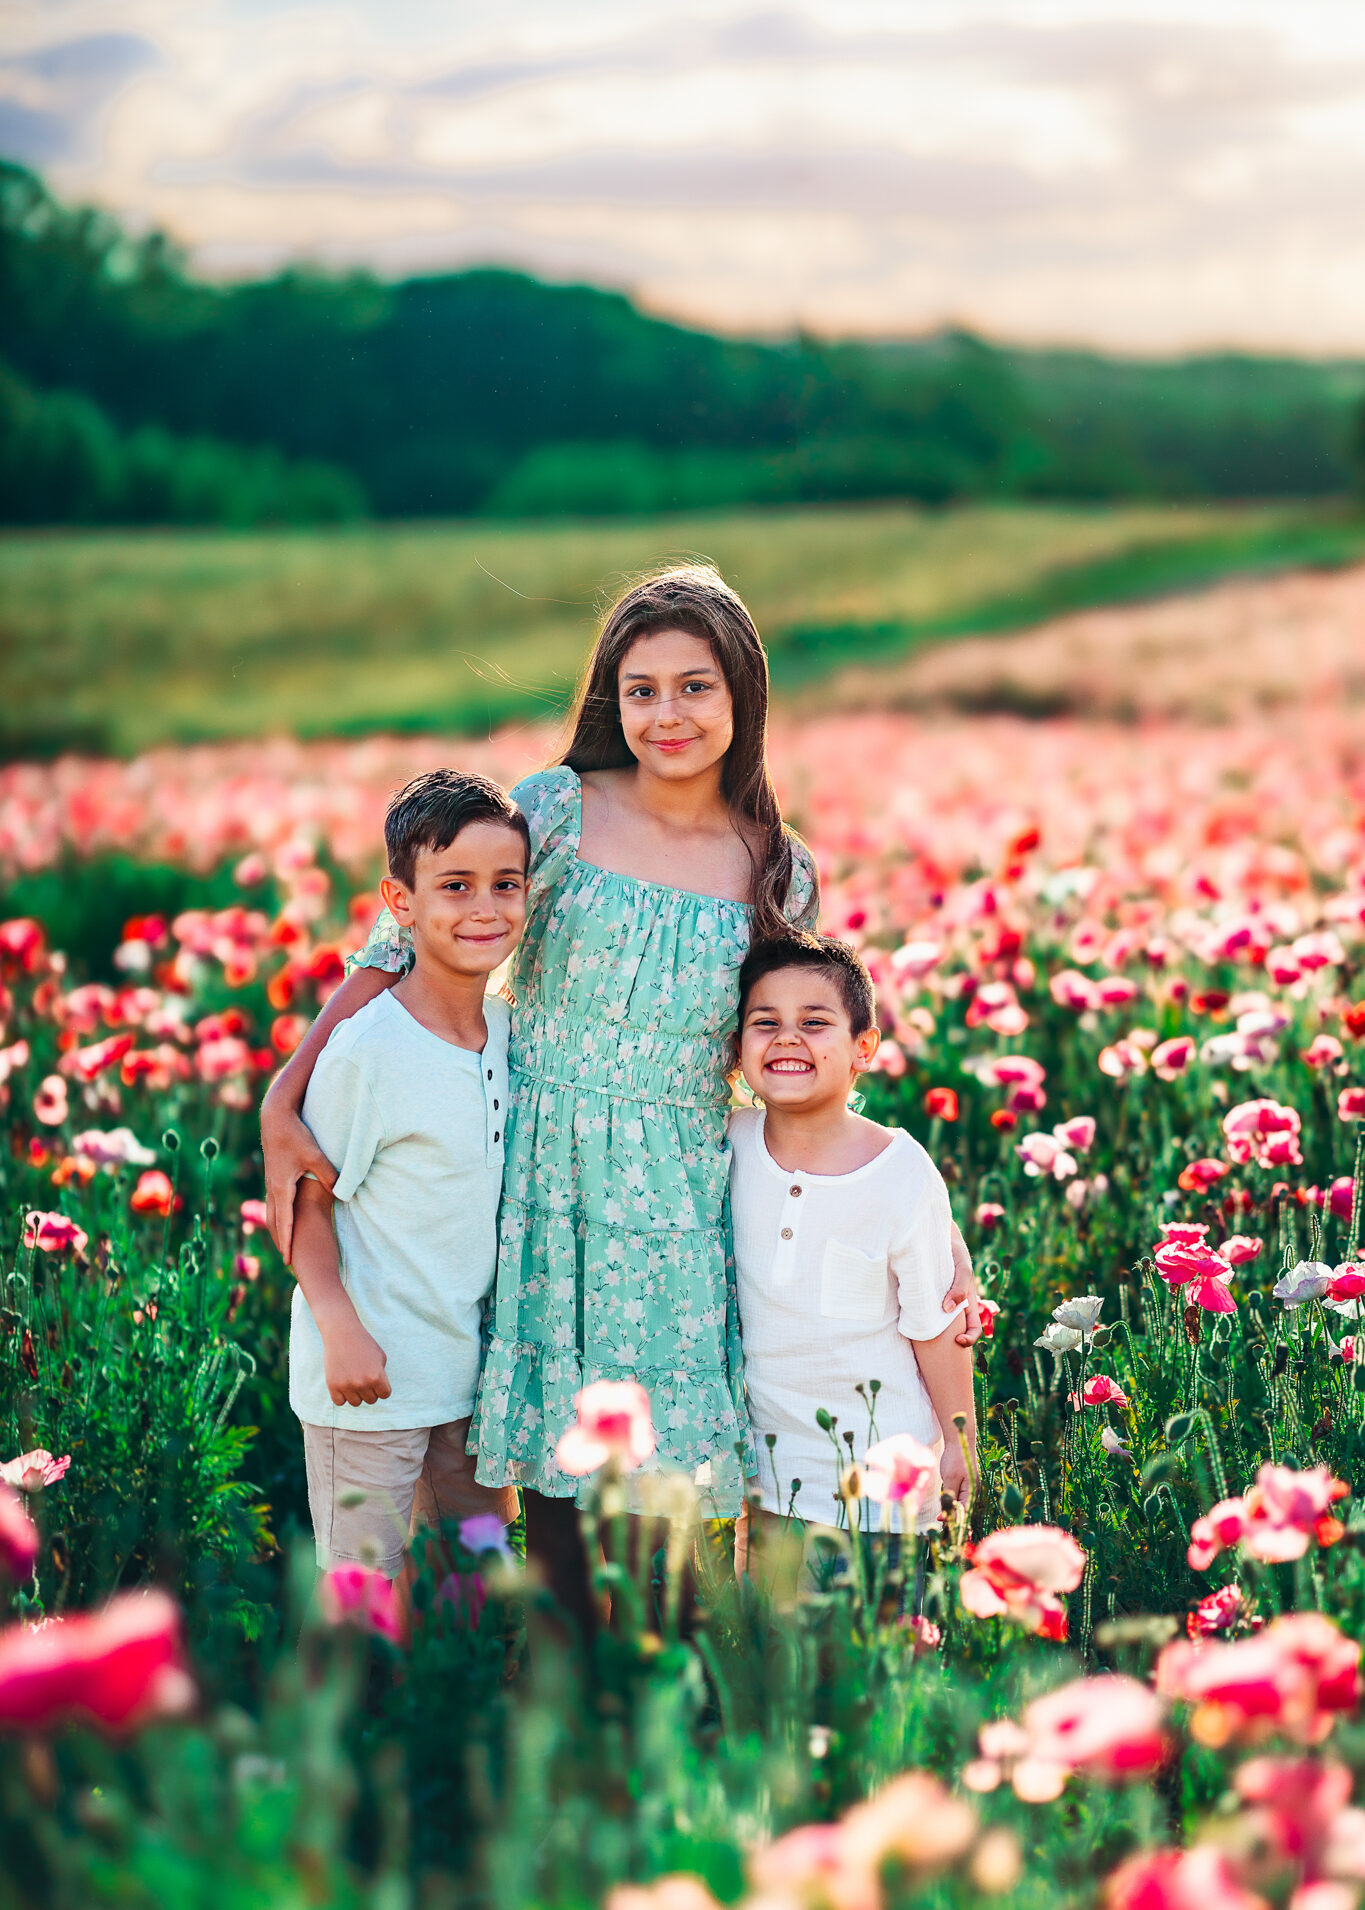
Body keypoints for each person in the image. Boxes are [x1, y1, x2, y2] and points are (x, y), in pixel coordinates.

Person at [263, 564, 978, 1637]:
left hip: (679, 1192)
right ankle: (535, 1685)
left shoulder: (774, 867)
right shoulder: (554, 809)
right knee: (539, 1467)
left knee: (663, 1480)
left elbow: (783, 1049)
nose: (667, 714)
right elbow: (393, 944)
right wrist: (291, 1081)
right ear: (611, 697)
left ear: (743, 696)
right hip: (535, 1173)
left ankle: (653, 1698)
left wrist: (883, 1196)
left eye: (695, 686)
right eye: (640, 688)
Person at [287, 770, 523, 1606]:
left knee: (477, 1580)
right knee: (365, 1589)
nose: (484, 908)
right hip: (370, 1378)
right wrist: (341, 1329)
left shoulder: (507, 1030)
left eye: (506, 884)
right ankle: (353, 1733)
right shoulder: (369, 1051)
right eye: (454, 886)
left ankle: (453, 1729)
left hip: (466, 1378)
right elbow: (305, 1202)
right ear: (401, 900)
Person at [728, 932, 977, 1584]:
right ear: (737, 1045)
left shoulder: (897, 1172)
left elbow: (936, 1320)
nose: (787, 1038)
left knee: (878, 1654)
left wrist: (958, 1443)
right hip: (771, 1475)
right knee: (780, 1653)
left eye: (814, 1023)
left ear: (863, 1048)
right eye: (765, 1023)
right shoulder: (726, 1144)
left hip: (881, 1482)